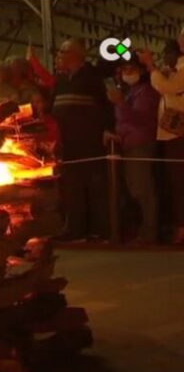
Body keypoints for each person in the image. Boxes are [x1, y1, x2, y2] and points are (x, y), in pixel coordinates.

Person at [52, 38, 113, 241]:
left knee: (95, 187)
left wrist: (108, 128)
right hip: (68, 143)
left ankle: (100, 230)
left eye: (63, 51)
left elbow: (107, 104)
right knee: (72, 187)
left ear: (76, 54)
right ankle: (75, 228)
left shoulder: (93, 77)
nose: (59, 55)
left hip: (91, 142)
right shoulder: (61, 81)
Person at [107, 56, 160, 244]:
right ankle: (143, 231)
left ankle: (150, 233)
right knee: (135, 189)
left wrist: (121, 103)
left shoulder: (146, 92)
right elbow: (124, 122)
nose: (127, 73)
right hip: (129, 144)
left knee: (143, 189)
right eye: (124, 70)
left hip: (141, 144)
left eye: (131, 69)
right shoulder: (131, 92)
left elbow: (139, 119)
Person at [140, 29, 184, 243]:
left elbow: (169, 87)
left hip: (179, 133)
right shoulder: (177, 68)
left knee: (179, 182)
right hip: (172, 132)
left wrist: (151, 66)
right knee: (175, 183)